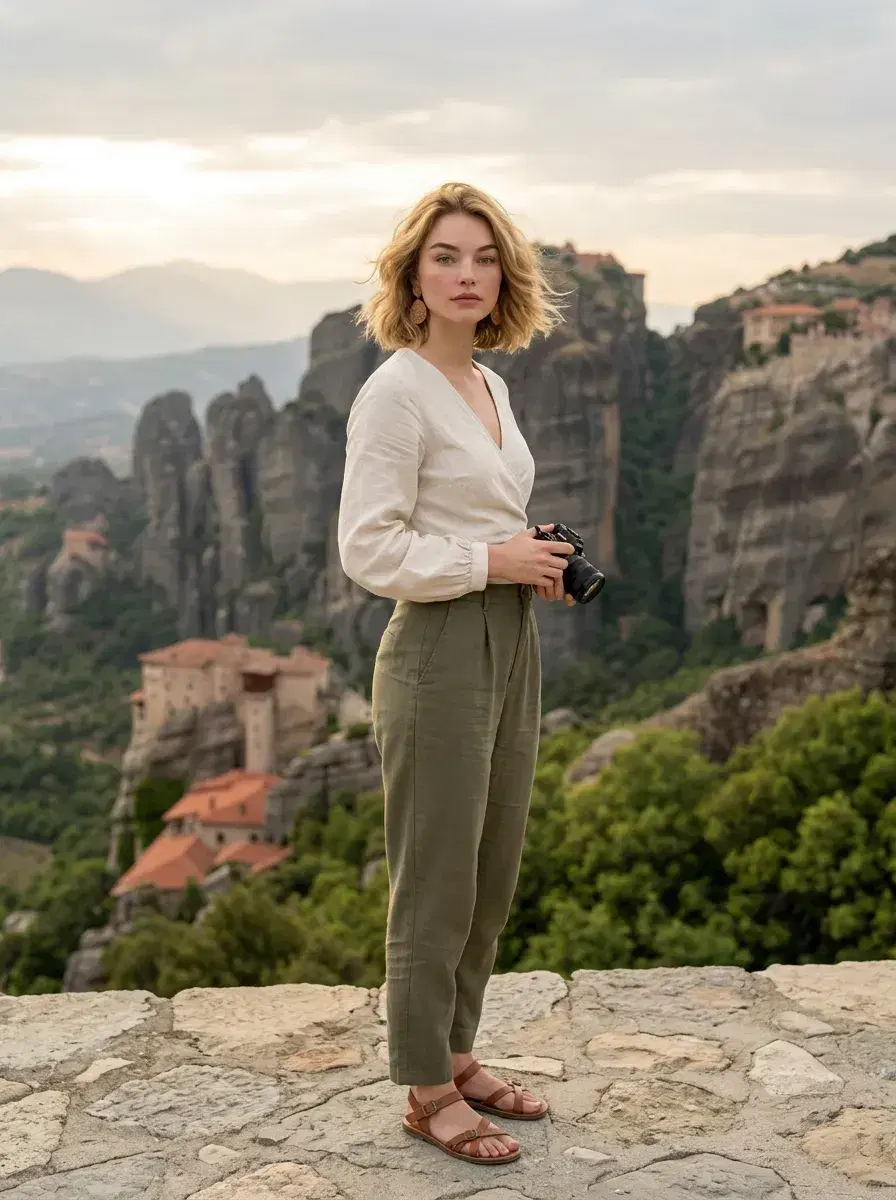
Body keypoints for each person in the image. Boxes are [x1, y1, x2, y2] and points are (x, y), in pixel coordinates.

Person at [337, 181, 573, 1165]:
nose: (467, 273)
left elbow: (471, 519)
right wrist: (488, 562)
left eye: (483, 257)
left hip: (508, 636)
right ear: (412, 276)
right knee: (434, 876)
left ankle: (460, 1049)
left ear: (503, 275)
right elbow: (367, 549)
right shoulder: (393, 392)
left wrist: (528, 557)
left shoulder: (489, 385)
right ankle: (424, 1086)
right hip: (436, 650)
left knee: (490, 865)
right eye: (445, 256)